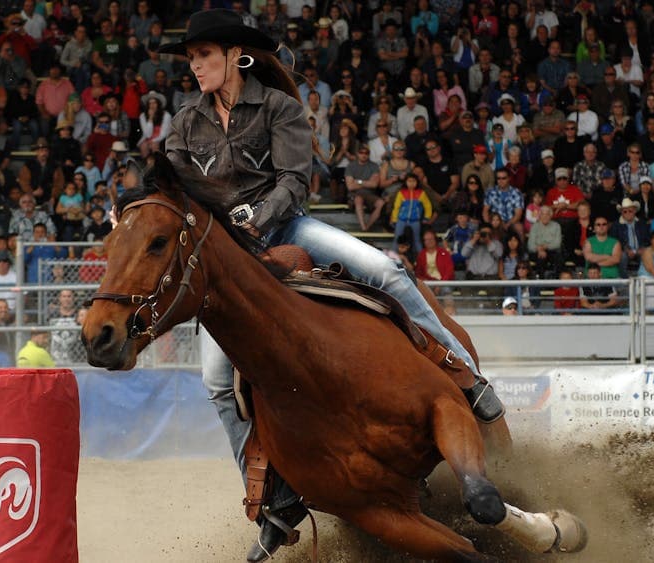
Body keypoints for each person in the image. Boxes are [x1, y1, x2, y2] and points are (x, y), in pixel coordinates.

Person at [159, 11, 504, 562]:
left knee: (387, 269)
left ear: (235, 56)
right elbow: (170, 181)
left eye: (203, 55)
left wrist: (255, 217)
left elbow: (295, 182)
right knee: (217, 381)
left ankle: (465, 374)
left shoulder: (279, 108)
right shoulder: (184, 123)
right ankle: (272, 499)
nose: (195, 65)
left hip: (290, 227)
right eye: (191, 58)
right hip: (229, 259)